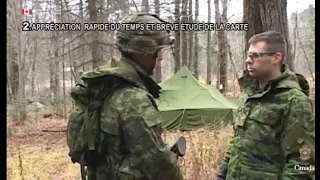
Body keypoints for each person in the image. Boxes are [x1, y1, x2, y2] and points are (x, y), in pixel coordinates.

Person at [85, 13, 183, 179]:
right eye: (156, 51)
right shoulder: (134, 99)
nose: (159, 57)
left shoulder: (107, 85)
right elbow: (157, 164)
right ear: (144, 51)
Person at [216, 30, 315, 180]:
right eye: (248, 55)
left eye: (255, 56)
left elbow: (303, 162)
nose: (248, 60)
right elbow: (238, 143)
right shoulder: (251, 96)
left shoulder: (294, 101)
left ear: (276, 58)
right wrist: (221, 174)